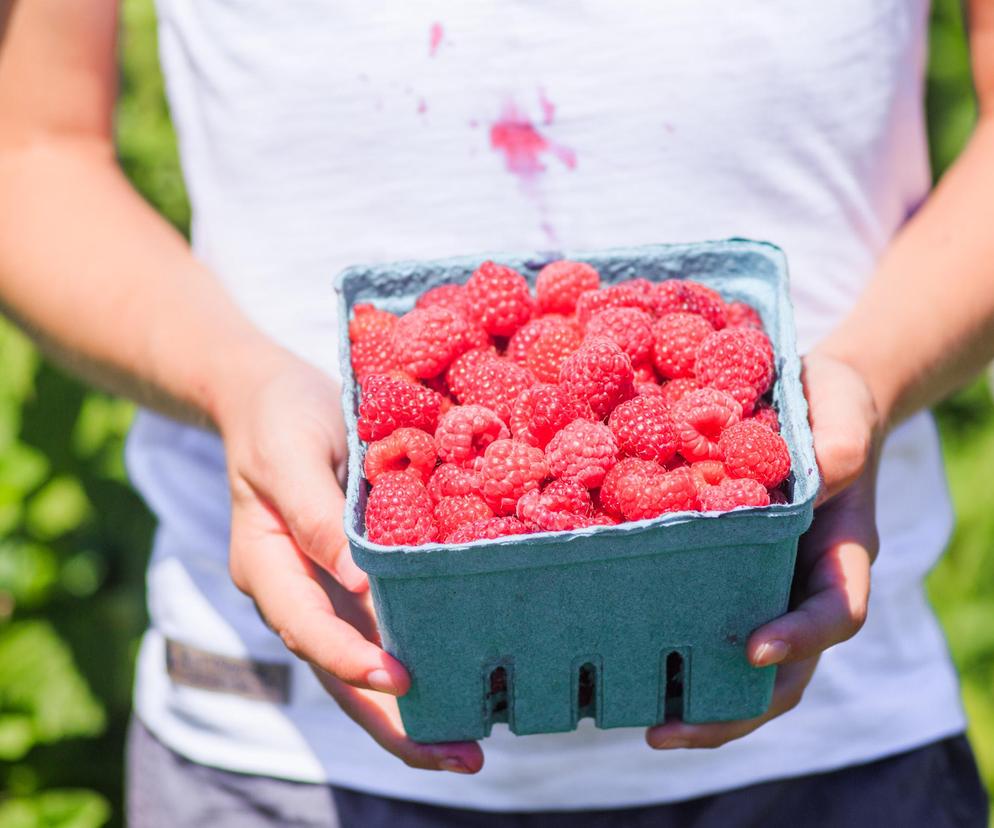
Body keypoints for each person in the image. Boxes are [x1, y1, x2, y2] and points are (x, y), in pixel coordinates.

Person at [0, 1, 991, 825]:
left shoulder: (650, 407)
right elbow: (32, 151)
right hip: (273, 758)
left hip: (836, 752)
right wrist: (236, 380)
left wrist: (863, 377)